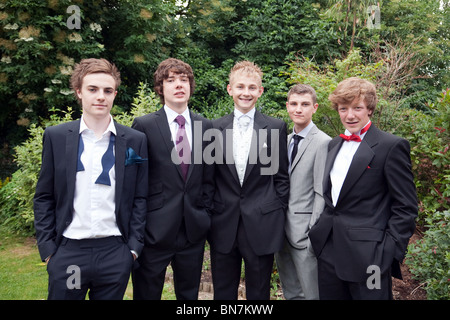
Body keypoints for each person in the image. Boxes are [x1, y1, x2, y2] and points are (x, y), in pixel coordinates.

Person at [33, 58, 148, 300]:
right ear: (79, 92)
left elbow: (139, 197)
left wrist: (133, 249)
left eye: (107, 91)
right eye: (92, 89)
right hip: (69, 252)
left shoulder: (134, 140)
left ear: (115, 94)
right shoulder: (56, 137)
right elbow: (44, 196)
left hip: (114, 253)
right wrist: (48, 249)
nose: (101, 97)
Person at [309, 77, 418, 300]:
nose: (350, 115)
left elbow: (406, 206)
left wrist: (387, 252)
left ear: (369, 109)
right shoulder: (334, 144)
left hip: (371, 259)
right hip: (329, 251)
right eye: (343, 108)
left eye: (357, 108)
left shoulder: (391, 146)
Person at [131, 58, 214, 300]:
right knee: (147, 294)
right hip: (154, 231)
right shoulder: (144, 125)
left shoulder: (204, 125)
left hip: (192, 231)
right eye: (171, 80)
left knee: (189, 297)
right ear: (160, 88)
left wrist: (204, 215)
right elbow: (135, 179)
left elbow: (209, 179)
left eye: (184, 79)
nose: (179, 84)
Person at [208, 60, 289, 300]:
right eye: (240, 87)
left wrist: (275, 210)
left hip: (262, 223)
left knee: (259, 293)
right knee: (222, 292)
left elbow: (281, 177)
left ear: (260, 91)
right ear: (229, 89)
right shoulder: (214, 128)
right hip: (223, 223)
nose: (246, 92)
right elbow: (209, 179)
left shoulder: (275, 127)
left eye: (252, 87)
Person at [275, 84, 330, 300]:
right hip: (280, 232)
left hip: (305, 234)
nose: (299, 109)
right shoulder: (285, 140)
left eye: (305, 104)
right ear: (287, 107)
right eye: (294, 104)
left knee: (312, 294)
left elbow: (320, 192)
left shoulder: (323, 142)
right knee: (291, 292)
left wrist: (312, 232)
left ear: (315, 107)